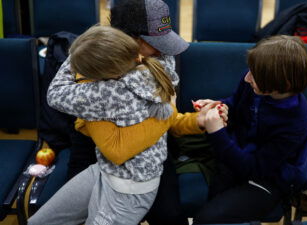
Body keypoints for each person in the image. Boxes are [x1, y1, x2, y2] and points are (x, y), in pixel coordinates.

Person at [28, 25, 226, 225]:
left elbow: (56, 95)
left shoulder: (103, 93)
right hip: (105, 170)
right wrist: (193, 119)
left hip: (129, 188)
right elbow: (161, 121)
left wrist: (78, 55)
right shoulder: (155, 68)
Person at [52, 0, 196, 224]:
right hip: (93, 151)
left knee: (169, 215)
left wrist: (90, 107)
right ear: (127, 39)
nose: (162, 48)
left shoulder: (161, 57)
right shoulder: (96, 50)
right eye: (153, 41)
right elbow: (56, 95)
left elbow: (118, 148)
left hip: (149, 150)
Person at [192, 35, 307, 224]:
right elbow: (236, 103)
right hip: (237, 155)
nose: (247, 77)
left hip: (267, 179)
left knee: (207, 219)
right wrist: (219, 106)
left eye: (254, 75)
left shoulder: (296, 121)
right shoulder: (258, 80)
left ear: (282, 85)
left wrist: (217, 133)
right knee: (210, 206)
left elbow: (254, 168)